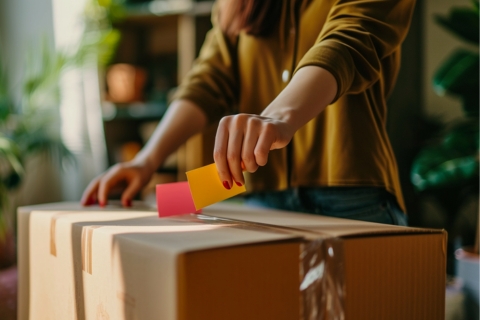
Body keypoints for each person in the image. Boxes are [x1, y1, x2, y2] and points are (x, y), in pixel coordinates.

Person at [82, 0, 416, 226]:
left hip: (352, 199)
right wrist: (146, 159)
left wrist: (278, 117)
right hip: (264, 201)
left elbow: (350, 40)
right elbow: (209, 78)